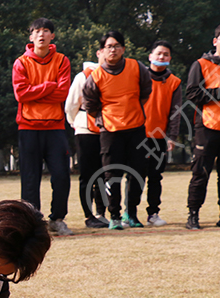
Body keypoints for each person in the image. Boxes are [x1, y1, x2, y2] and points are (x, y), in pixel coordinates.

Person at [83, 30, 152, 230]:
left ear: (123, 48)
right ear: (101, 51)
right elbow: (90, 104)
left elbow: (146, 92)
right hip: (110, 131)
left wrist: (132, 110)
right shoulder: (95, 76)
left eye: (116, 46)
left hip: (136, 128)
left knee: (138, 172)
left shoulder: (137, 67)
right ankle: (114, 215)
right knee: (112, 175)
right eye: (108, 47)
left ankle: (131, 213)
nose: (112, 50)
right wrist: (103, 119)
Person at [12, 18, 72, 236]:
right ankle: (33, 223)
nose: (41, 34)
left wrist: (35, 92)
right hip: (28, 127)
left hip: (55, 127)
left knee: (62, 174)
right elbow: (21, 94)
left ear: (52, 36)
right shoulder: (21, 63)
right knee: (30, 178)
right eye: (37, 31)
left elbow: (63, 93)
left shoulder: (62, 61)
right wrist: (48, 86)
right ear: (31, 37)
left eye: (46, 31)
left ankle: (57, 218)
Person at [65, 47, 109, 228]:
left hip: (108, 129)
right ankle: (88, 215)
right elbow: (70, 105)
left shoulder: (115, 75)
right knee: (87, 175)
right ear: (99, 53)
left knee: (105, 174)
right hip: (85, 129)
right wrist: (76, 122)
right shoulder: (83, 76)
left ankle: (102, 212)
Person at [140, 40, 182, 227]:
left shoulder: (174, 82)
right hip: (137, 133)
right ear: (150, 56)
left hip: (159, 137)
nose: (161, 57)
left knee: (156, 177)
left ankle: (153, 213)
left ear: (169, 58)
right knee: (134, 176)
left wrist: (172, 137)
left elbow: (176, 112)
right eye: (158, 53)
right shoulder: (139, 77)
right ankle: (129, 213)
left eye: (165, 54)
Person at [183, 25, 220, 230]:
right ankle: (193, 215)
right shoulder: (201, 64)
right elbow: (192, 93)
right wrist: (217, 94)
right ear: (215, 41)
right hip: (207, 126)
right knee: (201, 172)